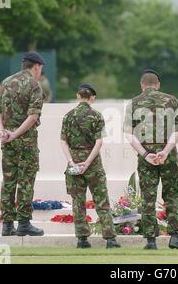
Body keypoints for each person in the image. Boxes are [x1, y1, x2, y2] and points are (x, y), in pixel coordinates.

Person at [123, 69, 178, 250]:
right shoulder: (171, 100)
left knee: (148, 197)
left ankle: (151, 240)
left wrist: (145, 154)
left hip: (147, 156)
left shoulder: (134, 103)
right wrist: (166, 152)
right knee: (173, 195)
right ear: (158, 85)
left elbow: (129, 134)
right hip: (168, 155)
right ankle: (175, 237)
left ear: (142, 85)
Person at [60, 83, 121, 249]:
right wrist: (88, 162)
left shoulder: (68, 116)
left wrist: (72, 161)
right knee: (101, 201)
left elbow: (63, 141)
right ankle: (110, 239)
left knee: (78, 202)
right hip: (92, 163)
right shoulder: (96, 116)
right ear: (92, 97)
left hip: (73, 160)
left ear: (78, 96)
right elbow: (99, 141)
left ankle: (82, 239)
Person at [0, 51, 46, 237]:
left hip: (7, 141)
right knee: (25, 182)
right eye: (40, 69)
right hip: (26, 142)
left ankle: (7, 225)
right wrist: (15, 134)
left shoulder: (5, 83)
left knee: (8, 181)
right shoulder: (34, 86)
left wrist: (2, 131)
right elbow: (33, 116)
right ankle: (23, 223)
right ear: (36, 66)